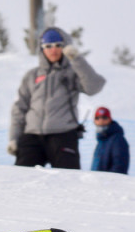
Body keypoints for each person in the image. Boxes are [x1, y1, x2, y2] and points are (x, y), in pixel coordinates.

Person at [8, 27, 105, 169]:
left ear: (65, 47)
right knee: (22, 179)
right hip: (32, 136)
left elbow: (94, 87)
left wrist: (76, 59)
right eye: (48, 46)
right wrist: (13, 138)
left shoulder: (73, 73)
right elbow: (19, 108)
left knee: (69, 181)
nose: (53, 50)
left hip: (63, 135)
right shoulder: (32, 76)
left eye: (58, 45)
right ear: (42, 49)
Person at [91, 107, 130, 174]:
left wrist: (107, 181)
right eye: (97, 118)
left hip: (109, 183)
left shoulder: (117, 140)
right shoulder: (101, 141)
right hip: (98, 182)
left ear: (110, 119)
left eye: (104, 117)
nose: (101, 121)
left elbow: (119, 167)